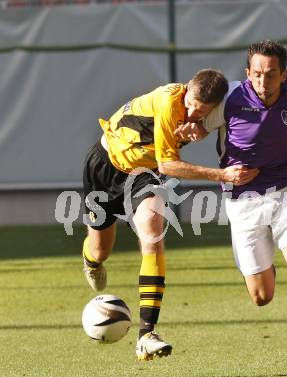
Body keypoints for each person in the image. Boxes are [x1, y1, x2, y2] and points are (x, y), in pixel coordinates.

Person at [82, 69, 259, 361]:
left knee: (153, 229)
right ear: (187, 88)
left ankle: (146, 334)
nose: (192, 113)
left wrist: (201, 127)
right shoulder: (168, 102)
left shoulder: (207, 112)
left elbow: (240, 96)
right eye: (190, 105)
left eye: (201, 112)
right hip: (104, 165)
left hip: (142, 174)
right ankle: (91, 260)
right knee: (101, 249)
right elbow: (168, 166)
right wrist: (220, 175)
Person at [176, 40, 287, 377]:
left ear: (283, 75)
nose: (263, 81)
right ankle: (262, 263)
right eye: (256, 73)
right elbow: (199, 129)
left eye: (270, 75)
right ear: (247, 73)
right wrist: (191, 132)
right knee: (261, 296)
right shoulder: (230, 101)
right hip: (243, 199)